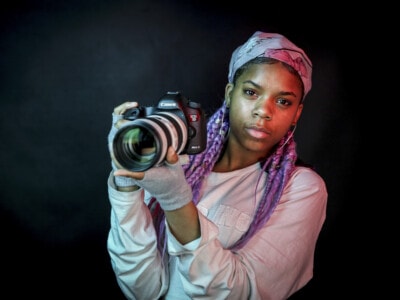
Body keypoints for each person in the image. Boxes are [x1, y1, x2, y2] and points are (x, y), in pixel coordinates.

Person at [106, 31, 328, 299]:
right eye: (251, 92)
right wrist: (126, 182)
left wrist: (176, 200)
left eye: (283, 101)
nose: (264, 111)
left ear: (297, 114)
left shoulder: (302, 188)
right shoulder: (177, 164)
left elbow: (242, 293)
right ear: (230, 94)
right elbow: (143, 290)